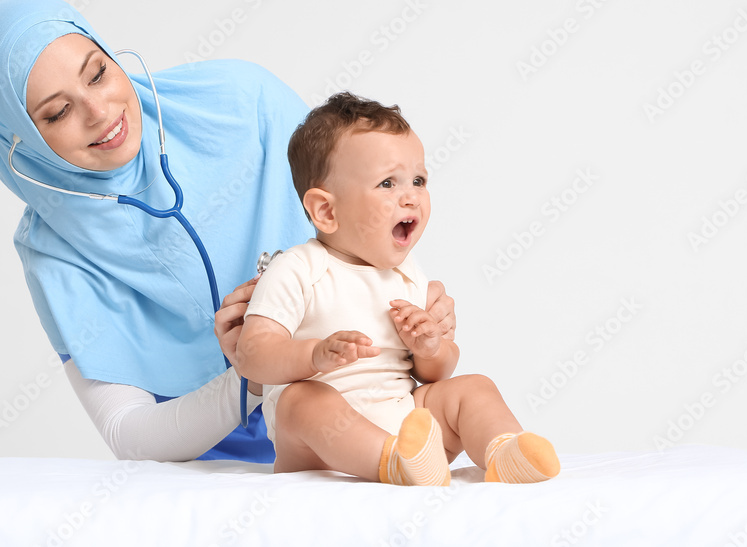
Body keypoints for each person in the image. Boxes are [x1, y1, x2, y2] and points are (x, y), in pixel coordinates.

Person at [0, 0, 457, 463]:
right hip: (219, 472)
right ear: (19, 141)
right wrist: (252, 376)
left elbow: (368, 206)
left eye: (98, 74)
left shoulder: (242, 102)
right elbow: (129, 435)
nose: (100, 111)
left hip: (375, 415)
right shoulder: (53, 252)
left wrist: (420, 317)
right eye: (58, 111)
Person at [236, 92, 561, 484]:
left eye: (419, 180)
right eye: (388, 183)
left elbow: (436, 374)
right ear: (326, 211)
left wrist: (431, 347)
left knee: (474, 387)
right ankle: (394, 463)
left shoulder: (409, 274)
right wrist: (315, 355)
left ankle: (502, 450)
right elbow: (253, 355)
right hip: (322, 446)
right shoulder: (299, 268)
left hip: (408, 428)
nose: (411, 196)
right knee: (299, 401)